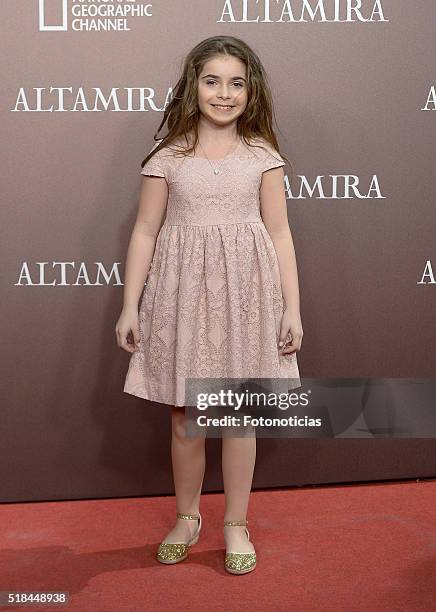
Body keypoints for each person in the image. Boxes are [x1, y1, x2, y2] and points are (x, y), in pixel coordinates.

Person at [115, 35, 303, 575]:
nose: (224, 93)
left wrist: (292, 309)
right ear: (193, 86)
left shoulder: (264, 157)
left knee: (239, 416)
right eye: (212, 81)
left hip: (247, 295)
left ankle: (235, 523)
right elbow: (146, 232)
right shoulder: (167, 158)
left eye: (236, 83)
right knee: (185, 418)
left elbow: (281, 233)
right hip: (181, 297)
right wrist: (131, 306)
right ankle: (187, 516)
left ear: (252, 91)